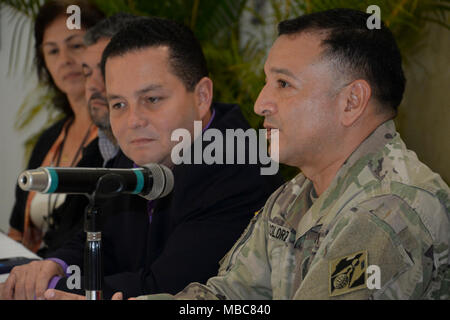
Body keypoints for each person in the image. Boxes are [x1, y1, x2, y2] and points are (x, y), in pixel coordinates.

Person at [89, 8, 448, 300]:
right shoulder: (294, 195)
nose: (261, 103)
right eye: (266, 82)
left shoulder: (389, 209)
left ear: (351, 101)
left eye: (283, 84)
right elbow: (230, 298)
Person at [0, 16, 284, 300]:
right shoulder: (141, 151)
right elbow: (97, 241)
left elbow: (167, 289)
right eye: (119, 104)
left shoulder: (238, 169)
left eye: (152, 99)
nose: (133, 120)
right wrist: (54, 266)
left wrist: (46, 290)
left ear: (201, 97)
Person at [7, 0, 104, 256]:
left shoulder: (118, 137)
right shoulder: (48, 140)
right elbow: (17, 227)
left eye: (75, 45)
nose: (65, 60)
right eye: (52, 51)